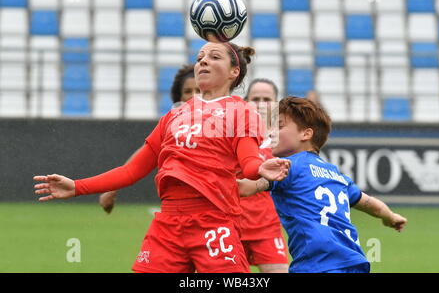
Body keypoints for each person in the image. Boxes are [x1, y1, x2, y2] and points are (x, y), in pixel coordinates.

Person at [33, 41, 291, 273]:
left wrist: (261, 168)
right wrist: (77, 186)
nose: (203, 60)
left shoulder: (242, 113)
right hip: (168, 223)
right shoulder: (174, 116)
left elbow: (248, 165)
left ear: (234, 72)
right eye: (200, 56)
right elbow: (132, 170)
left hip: (213, 222)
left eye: (214, 57)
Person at [239, 96, 407, 273]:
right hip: (354, 262)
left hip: (318, 264)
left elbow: (244, 188)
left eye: (279, 126)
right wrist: (390, 217)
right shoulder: (336, 175)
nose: (271, 133)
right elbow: (372, 204)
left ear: (306, 134)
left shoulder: (289, 166)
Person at [99, 65, 200, 214]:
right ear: (179, 97)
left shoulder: (224, 123)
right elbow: (141, 160)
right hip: (182, 211)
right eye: (187, 92)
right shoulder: (173, 127)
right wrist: (112, 189)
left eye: (199, 90)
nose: (193, 96)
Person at [239, 79, 289, 273]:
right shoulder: (232, 136)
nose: (260, 104)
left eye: (267, 99)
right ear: (245, 102)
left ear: (276, 104)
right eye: (255, 99)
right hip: (232, 227)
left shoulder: (285, 142)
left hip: (267, 229)